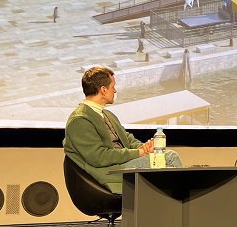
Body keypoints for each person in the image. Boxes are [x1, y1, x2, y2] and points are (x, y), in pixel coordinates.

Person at [63, 66, 183, 194]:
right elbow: (99, 157)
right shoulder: (80, 120)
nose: (115, 90)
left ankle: (163, 207)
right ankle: (182, 207)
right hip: (111, 171)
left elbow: (127, 138)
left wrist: (145, 148)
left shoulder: (107, 114)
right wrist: (139, 153)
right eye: (113, 86)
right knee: (170, 158)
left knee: (163, 162)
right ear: (103, 90)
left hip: (124, 163)